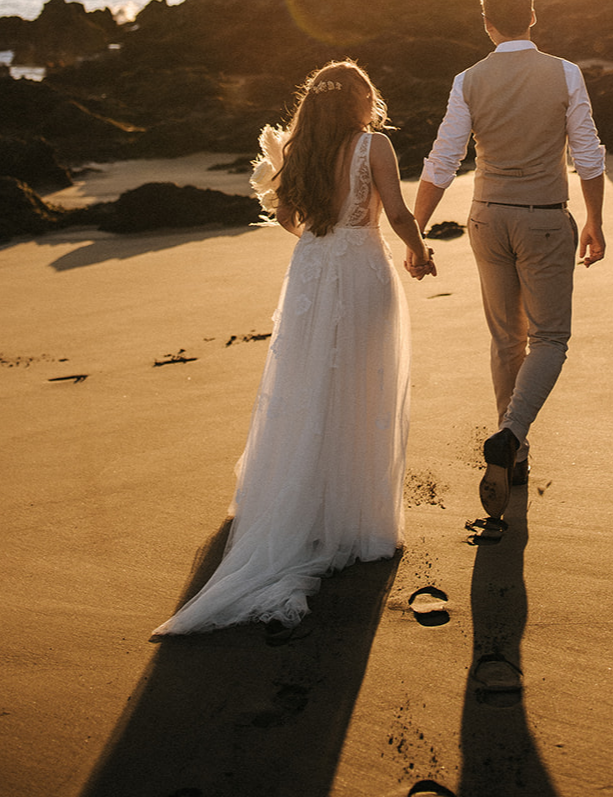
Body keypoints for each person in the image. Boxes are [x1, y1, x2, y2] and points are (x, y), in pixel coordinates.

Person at [152, 59, 433, 637]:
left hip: (312, 267)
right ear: (362, 100)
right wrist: (419, 251)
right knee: (361, 382)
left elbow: (285, 215)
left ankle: (298, 501)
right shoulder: (373, 146)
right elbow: (398, 211)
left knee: (307, 382)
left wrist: (318, 241)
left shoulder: (298, 148)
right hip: (360, 267)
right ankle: (354, 518)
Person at [410, 0, 606, 519]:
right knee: (549, 338)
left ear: (487, 23)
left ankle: (513, 455)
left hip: (487, 220)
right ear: (533, 17)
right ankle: (511, 433)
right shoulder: (565, 74)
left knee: (506, 339)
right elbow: (587, 155)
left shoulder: (468, 80)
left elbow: (443, 158)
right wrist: (594, 220)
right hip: (543, 220)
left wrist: (417, 229)